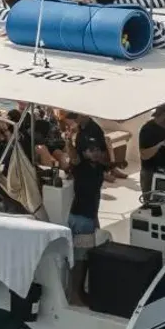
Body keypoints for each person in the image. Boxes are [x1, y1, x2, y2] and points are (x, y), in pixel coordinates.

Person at [68, 116, 111, 305]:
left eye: (98, 150)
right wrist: (67, 141)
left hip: (89, 217)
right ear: (84, 153)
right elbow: (74, 157)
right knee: (81, 260)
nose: (96, 153)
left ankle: (79, 290)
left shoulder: (99, 167)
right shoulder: (81, 167)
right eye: (91, 150)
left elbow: (108, 160)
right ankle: (75, 294)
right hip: (81, 218)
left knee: (85, 257)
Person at [138, 104, 165, 198]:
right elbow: (144, 154)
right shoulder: (147, 129)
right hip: (150, 173)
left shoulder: (163, 129)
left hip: (161, 173)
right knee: (152, 205)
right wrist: (159, 145)